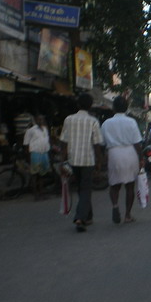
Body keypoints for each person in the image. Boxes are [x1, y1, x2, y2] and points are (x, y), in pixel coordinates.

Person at [60, 93, 104, 232]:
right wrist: (99, 161)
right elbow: (97, 144)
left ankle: (88, 216)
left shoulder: (69, 120)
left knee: (81, 188)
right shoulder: (93, 121)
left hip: (73, 160)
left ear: (78, 105)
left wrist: (62, 161)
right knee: (85, 188)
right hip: (87, 160)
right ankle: (80, 218)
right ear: (90, 106)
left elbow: (64, 142)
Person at [101, 96, 144, 224]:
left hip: (113, 154)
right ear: (126, 108)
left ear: (113, 108)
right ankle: (127, 215)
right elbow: (137, 143)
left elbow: (102, 143)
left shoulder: (106, 123)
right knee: (130, 186)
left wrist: (102, 159)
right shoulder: (131, 122)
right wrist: (141, 158)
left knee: (114, 185)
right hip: (130, 153)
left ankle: (115, 205)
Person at [23, 115, 51, 200]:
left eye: (42, 119)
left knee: (42, 174)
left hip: (44, 153)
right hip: (35, 153)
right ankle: (35, 194)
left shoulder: (45, 129)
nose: (40, 121)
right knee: (34, 175)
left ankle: (41, 193)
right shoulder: (31, 130)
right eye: (39, 119)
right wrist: (28, 157)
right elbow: (26, 144)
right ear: (35, 120)